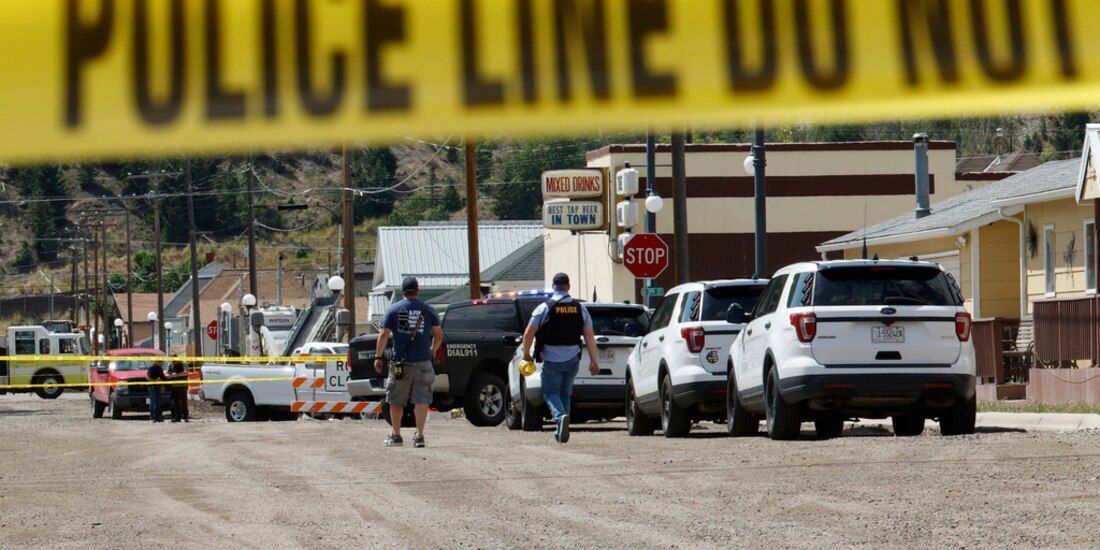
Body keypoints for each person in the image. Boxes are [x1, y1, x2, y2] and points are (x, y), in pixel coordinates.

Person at [522, 272, 600, 443]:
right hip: (573, 359)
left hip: (552, 360)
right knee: (565, 393)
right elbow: (589, 336)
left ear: (553, 287)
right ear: (569, 287)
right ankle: (562, 430)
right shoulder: (581, 308)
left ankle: (560, 417)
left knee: (550, 393)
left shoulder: (544, 307)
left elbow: (529, 333)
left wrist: (526, 354)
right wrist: (595, 361)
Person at [374, 277, 443, 448]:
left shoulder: (393, 310)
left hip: (400, 364)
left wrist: (378, 356)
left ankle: (396, 436)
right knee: (421, 399)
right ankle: (419, 436)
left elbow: (383, 335)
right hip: (423, 362)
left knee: (396, 398)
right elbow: (438, 335)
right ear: (417, 291)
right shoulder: (428, 310)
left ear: (403, 292)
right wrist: (433, 349)